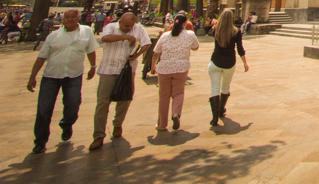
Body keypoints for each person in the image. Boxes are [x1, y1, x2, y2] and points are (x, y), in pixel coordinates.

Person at [26, 8, 98, 154]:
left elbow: (90, 50)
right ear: (62, 20)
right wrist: (33, 76)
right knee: (44, 110)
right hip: (51, 76)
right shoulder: (54, 36)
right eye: (67, 17)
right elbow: (42, 57)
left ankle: (67, 123)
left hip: (73, 75)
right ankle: (40, 141)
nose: (70, 20)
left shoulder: (86, 32)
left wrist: (93, 66)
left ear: (78, 18)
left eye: (73, 17)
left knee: (73, 104)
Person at [89, 11, 151, 151]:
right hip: (108, 69)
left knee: (125, 99)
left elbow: (147, 43)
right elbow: (104, 38)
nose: (128, 28)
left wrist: (136, 54)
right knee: (103, 102)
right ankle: (98, 135)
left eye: (130, 26)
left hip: (127, 69)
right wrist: (125, 37)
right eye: (125, 25)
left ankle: (118, 123)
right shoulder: (111, 27)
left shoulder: (138, 29)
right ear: (120, 21)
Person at [150, 14, 199, 132]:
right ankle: (176, 113)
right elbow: (195, 47)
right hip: (181, 68)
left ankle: (162, 124)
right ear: (185, 23)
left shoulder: (165, 35)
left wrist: (153, 66)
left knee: (163, 96)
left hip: (164, 68)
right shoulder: (190, 34)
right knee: (178, 93)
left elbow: (156, 52)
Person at [207, 9, 249, 127]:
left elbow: (208, 32)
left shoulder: (216, 29)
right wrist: (245, 63)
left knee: (214, 89)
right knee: (225, 87)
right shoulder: (236, 31)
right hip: (229, 63)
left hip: (215, 62)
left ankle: (215, 117)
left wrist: (214, 24)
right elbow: (240, 48)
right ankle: (221, 110)